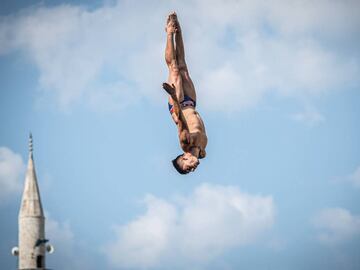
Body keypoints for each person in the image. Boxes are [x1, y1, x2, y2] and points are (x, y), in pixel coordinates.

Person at [163, 12, 207, 174]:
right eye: (191, 171)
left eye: (188, 167)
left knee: (174, 68)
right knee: (183, 66)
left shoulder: (185, 143)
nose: (193, 168)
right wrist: (201, 152)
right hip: (190, 103)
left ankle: (169, 33)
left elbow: (180, 120)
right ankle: (178, 29)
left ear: (185, 157)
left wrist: (174, 95)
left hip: (178, 104)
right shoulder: (202, 151)